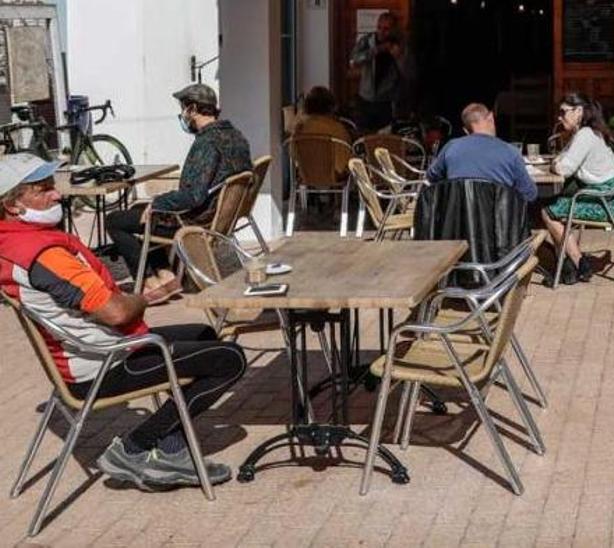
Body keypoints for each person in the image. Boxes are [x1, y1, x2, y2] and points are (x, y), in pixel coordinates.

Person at [0, 153, 246, 490]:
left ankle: (170, 450)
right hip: (102, 364)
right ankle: (135, 449)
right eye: (43, 190)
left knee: (204, 335)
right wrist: (148, 297)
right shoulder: (45, 255)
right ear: (13, 206)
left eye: (52, 186)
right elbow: (117, 313)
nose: (56, 194)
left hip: (95, 351)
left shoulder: (12, 242)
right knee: (229, 360)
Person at [105, 83, 251, 304]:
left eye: (184, 109)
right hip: (217, 217)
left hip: (194, 222)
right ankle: (166, 276)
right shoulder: (236, 136)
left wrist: (156, 202)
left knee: (115, 220)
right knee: (139, 211)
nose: (183, 115)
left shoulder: (207, 143)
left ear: (192, 109)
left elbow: (193, 196)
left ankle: (148, 284)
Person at [542, 93, 614, 286]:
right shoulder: (588, 133)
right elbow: (564, 157)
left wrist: (556, 164)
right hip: (612, 196)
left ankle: (578, 262)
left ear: (578, 111)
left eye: (563, 112)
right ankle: (568, 267)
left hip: (609, 203)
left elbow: (564, 167)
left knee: (549, 213)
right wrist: (559, 160)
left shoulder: (585, 135)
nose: (559, 117)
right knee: (558, 206)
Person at [424, 103, 537, 202]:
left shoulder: (451, 148)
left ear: (466, 131)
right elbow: (530, 194)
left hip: (460, 223)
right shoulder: (511, 152)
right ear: (491, 118)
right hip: (500, 223)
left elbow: (431, 177)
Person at [349, 10, 405, 132]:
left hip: (387, 101)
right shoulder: (367, 41)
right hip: (365, 99)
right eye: (379, 27)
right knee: (363, 137)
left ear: (394, 30)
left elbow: (410, 74)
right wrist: (375, 50)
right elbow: (354, 60)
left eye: (386, 29)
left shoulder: (401, 45)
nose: (381, 32)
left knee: (384, 142)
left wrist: (398, 57)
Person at [291, 85, 353, 180]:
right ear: (331, 107)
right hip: (334, 176)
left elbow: (293, 154)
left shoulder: (300, 129)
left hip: (306, 175)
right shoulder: (337, 128)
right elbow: (345, 158)